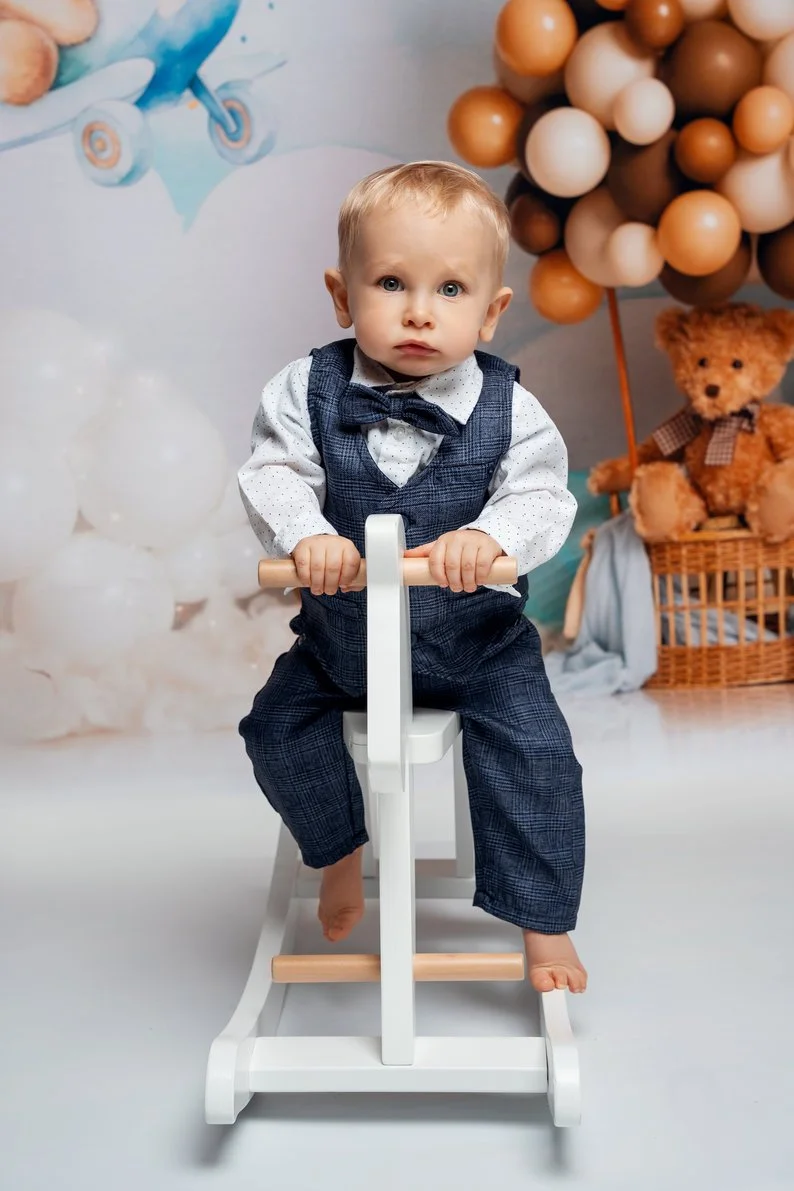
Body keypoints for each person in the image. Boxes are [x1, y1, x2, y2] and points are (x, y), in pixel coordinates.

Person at [238, 160, 587, 993]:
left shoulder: (510, 407)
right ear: (341, 293)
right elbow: (273, 471)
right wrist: (308, 533)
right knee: (274, 729)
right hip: (343, 647)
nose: (420, 312)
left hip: (477, 649)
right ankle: (341, 844)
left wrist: (489, 533)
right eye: (391, 282)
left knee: (537, 752)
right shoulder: (306, 387)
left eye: (452, 290)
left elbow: (543, 493)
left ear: (493, 311)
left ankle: (545, 928)